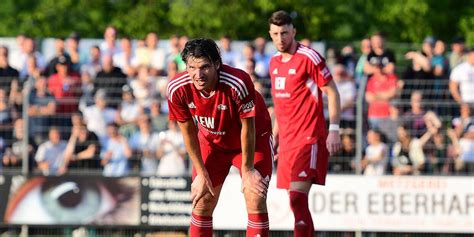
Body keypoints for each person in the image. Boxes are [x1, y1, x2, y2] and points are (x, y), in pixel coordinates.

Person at [167, 38, 273, 236]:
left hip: (252, 142)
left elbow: (248, 128)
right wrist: (200, 172)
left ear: (217, 64)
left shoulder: (238, 82)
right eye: (192, 67)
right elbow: (188, 132)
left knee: (255, 196)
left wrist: (248, 169)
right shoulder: (177, 88)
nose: (198, 75)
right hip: (211, 144)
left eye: (205, 67)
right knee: (202, 202)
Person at [267, 10, 342, 236]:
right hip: (287, 143)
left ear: (294, 32)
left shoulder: (309, 57)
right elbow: (280, 106)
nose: (281, 38)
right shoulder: (274, 63)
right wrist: (274, 139)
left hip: (308, 138)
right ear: (270, 34)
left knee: (298, 198)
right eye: (276, 33)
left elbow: (333, 92)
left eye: (285, 33)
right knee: (295, 203)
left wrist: (334, 130)